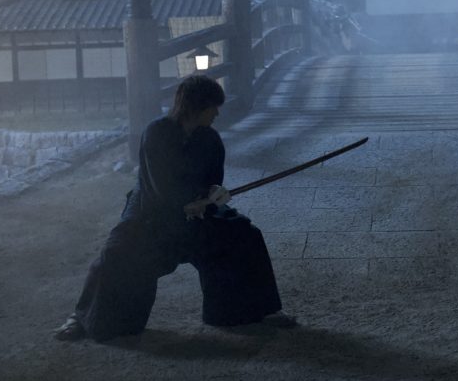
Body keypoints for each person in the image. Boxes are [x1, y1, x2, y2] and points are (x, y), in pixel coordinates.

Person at [54, 75, 293, 342]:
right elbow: (158, 185)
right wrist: (187, 203)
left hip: (200, 212)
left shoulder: (210, 138)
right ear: (196, 106)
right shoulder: (157, 132)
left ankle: (256, 311)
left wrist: (214, 193)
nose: (216, 113)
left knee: (245, 236)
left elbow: (213, 179)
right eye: (212, 107)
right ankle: (82, 318)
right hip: (152, 211)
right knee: (117, 252)